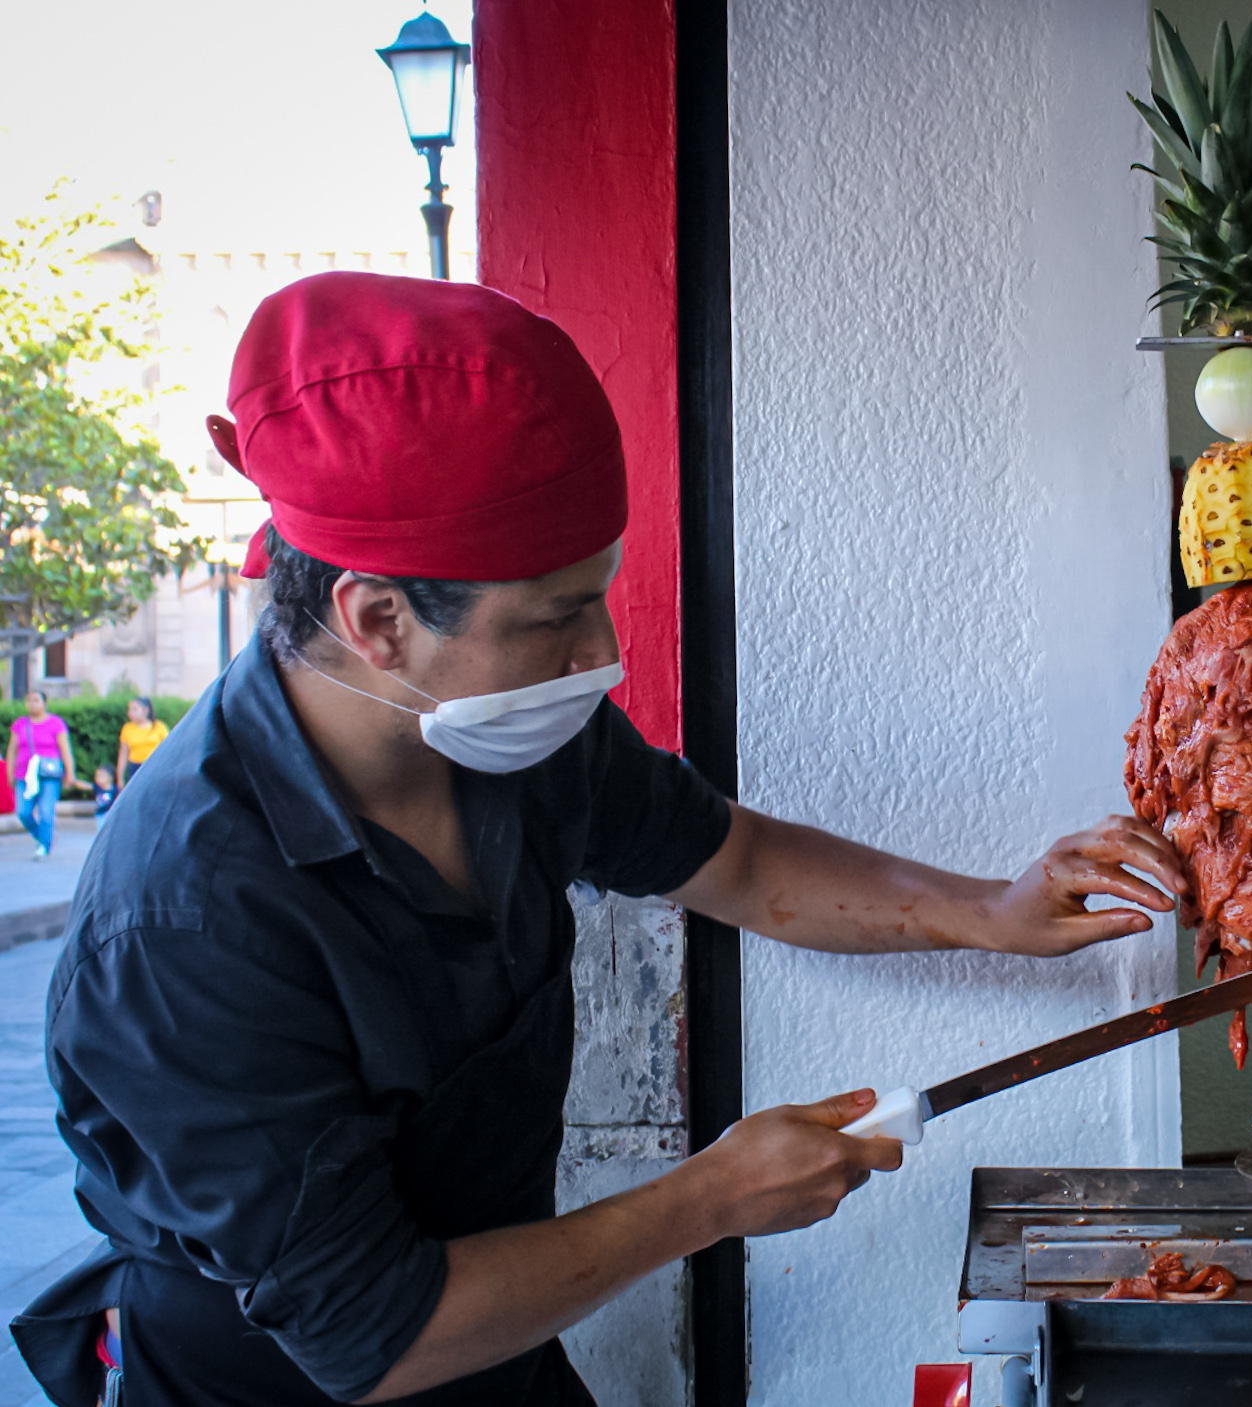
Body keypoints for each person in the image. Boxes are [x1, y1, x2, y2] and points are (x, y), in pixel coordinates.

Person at [13, 272, 1187, 1407]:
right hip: (303, 1375)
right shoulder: (188, 918)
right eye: (555, 617)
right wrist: (710, 1198)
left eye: (600, 594)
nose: (597, 653)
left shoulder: (501, 736)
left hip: (504, 1353)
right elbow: (371, 1336)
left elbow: (735, 861)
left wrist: (988, 911)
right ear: (376, 620)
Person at [6, 689, 75, 861]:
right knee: (23, 812)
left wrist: (69, 773)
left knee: (46, 811)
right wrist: (10, 772)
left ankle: (44, 845)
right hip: (24, 774)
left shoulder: (55, 723)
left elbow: (65, 750)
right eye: (29, 700)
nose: (32, 703)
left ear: (45, 703)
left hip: (48, 775)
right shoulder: (20, 724)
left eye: (36, 700)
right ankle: (44, 836)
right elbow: (12, 750)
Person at [115, 697, 167, 789]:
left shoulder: (158, 727)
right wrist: (120, 777)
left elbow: (168, 749)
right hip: (135, 767)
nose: (131, 713)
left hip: (154, 766)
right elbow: (123, 754)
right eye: (130, 710)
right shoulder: (127, 729)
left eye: (134, 709)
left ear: (145, 710)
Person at [91, 766, 116, 831]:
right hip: (100, 813)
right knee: (100, 829)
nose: (98, 778)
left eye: (101, 776)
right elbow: (86, 786)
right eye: (97, 776)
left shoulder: (114, 789)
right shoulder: (98, 788)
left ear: (110, 777)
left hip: (109, 813)